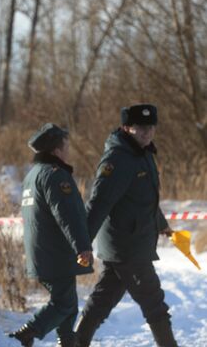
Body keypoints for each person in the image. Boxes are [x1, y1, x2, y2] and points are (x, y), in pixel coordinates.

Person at [75, 104, 178, 347]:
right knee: (154, 302)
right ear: (126, 128)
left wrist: (161, 224)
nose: (147, 133)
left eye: (151, 127)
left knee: (103, 299)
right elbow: (98, 204)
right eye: (140, 128)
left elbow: (145, 199)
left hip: (133, 242)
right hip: (127, 245)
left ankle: (74, 343)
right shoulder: (118, 159)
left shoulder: (143, 154)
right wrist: (82, 242)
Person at [10, 123, 93, 347]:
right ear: (56, 151)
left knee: (68, 303)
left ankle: (67, 342)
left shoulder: (32, 176)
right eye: (66, 146)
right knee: (64, 304)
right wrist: (82, 246)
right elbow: (68, 215)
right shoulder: (56, 176)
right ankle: (29, 332)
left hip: (42, 251)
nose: (68, 151)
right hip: (56, 253)